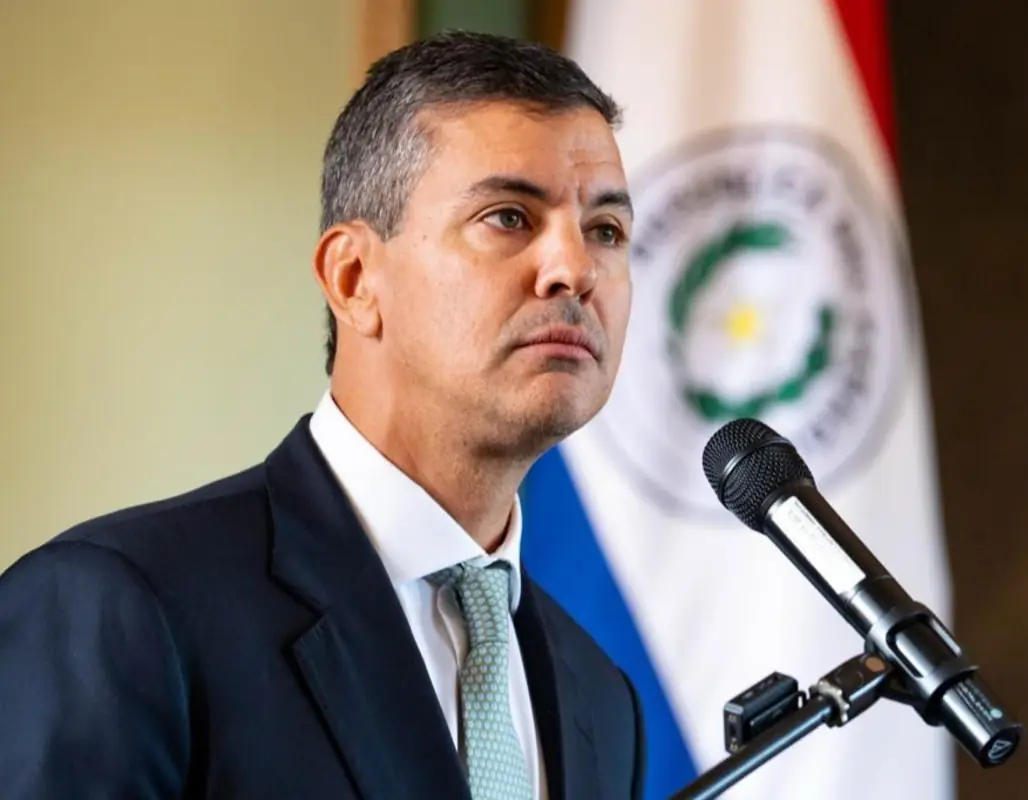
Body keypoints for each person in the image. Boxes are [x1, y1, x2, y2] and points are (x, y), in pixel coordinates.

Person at [0, 30, 642, 800]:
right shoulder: (120, 608)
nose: (575, 268)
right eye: (508, 217)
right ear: (354, 276)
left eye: (606, 231)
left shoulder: (601, 697)